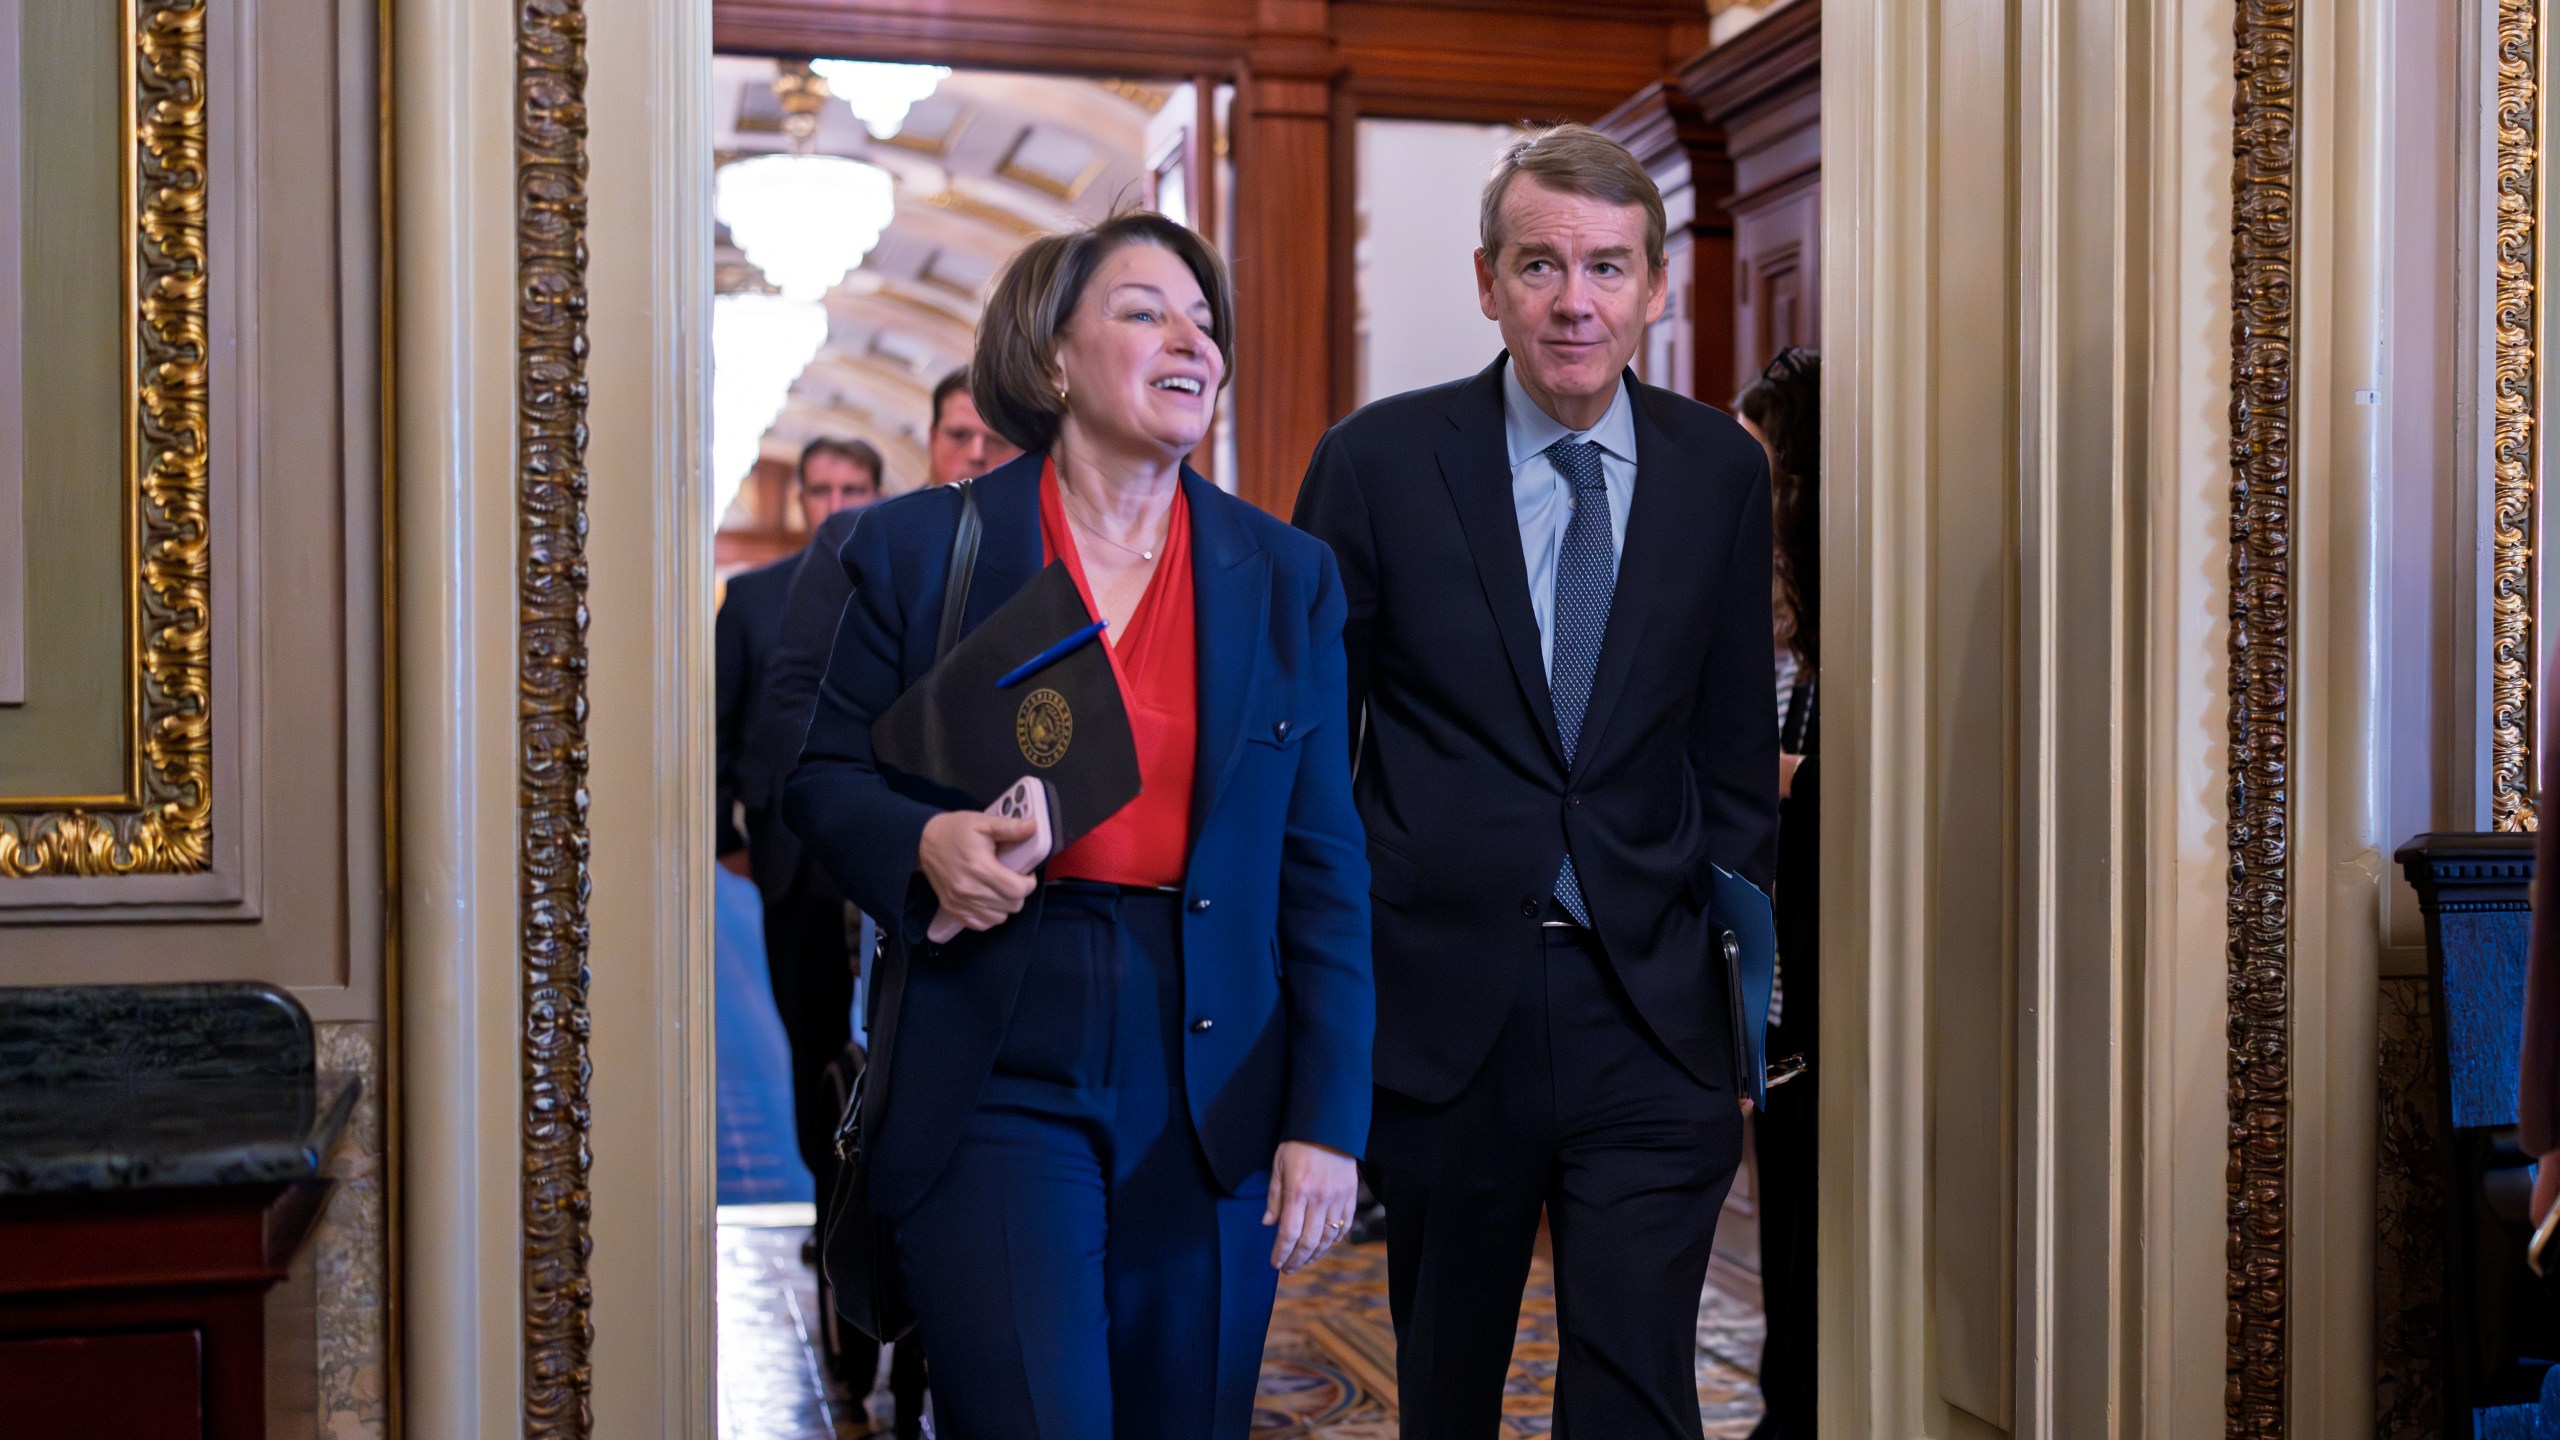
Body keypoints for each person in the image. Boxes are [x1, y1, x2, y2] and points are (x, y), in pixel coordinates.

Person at [784, 211, 1374, 1440]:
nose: (1191, 340)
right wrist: (924, 847)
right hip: (997, 1041)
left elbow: (1323, 868)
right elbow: (822, 778)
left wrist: (1326, 1118)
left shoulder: (1285, 576)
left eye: (1206, 323)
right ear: (1052, 357)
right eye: (1146, 310)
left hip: (1212, 1064)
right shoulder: (914, 551)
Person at [1293, 124, 1779, 1438]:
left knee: (1634, 1388)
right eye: (1542, 265)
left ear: (1655, 288)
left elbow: (1734, 751)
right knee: (1446, 1387)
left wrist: (1722, 985)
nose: (1576, 301)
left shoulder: (1721, 473)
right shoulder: (1377, 465)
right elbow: (1309, 752)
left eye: (1608, 268)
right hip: (1448, 1013)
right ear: (1487, 281)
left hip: (1651, 1007)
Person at [739, 376, 1021, 1430]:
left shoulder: (1049, 544)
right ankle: (863, 1337)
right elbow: (791, 726)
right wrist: (885, 848)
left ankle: (943, 1360)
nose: (979, 453)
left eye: (996, 436)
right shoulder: (880, 548)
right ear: (933, 441)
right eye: (960, 434)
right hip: (859, 889)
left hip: (1007, 896)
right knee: (852, 1123)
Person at [1736, 346, 1819, 1440]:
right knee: (1782, 1234)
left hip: (1830, 982)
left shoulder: (1859, 627)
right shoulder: (1757, 604)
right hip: (1770, 990)